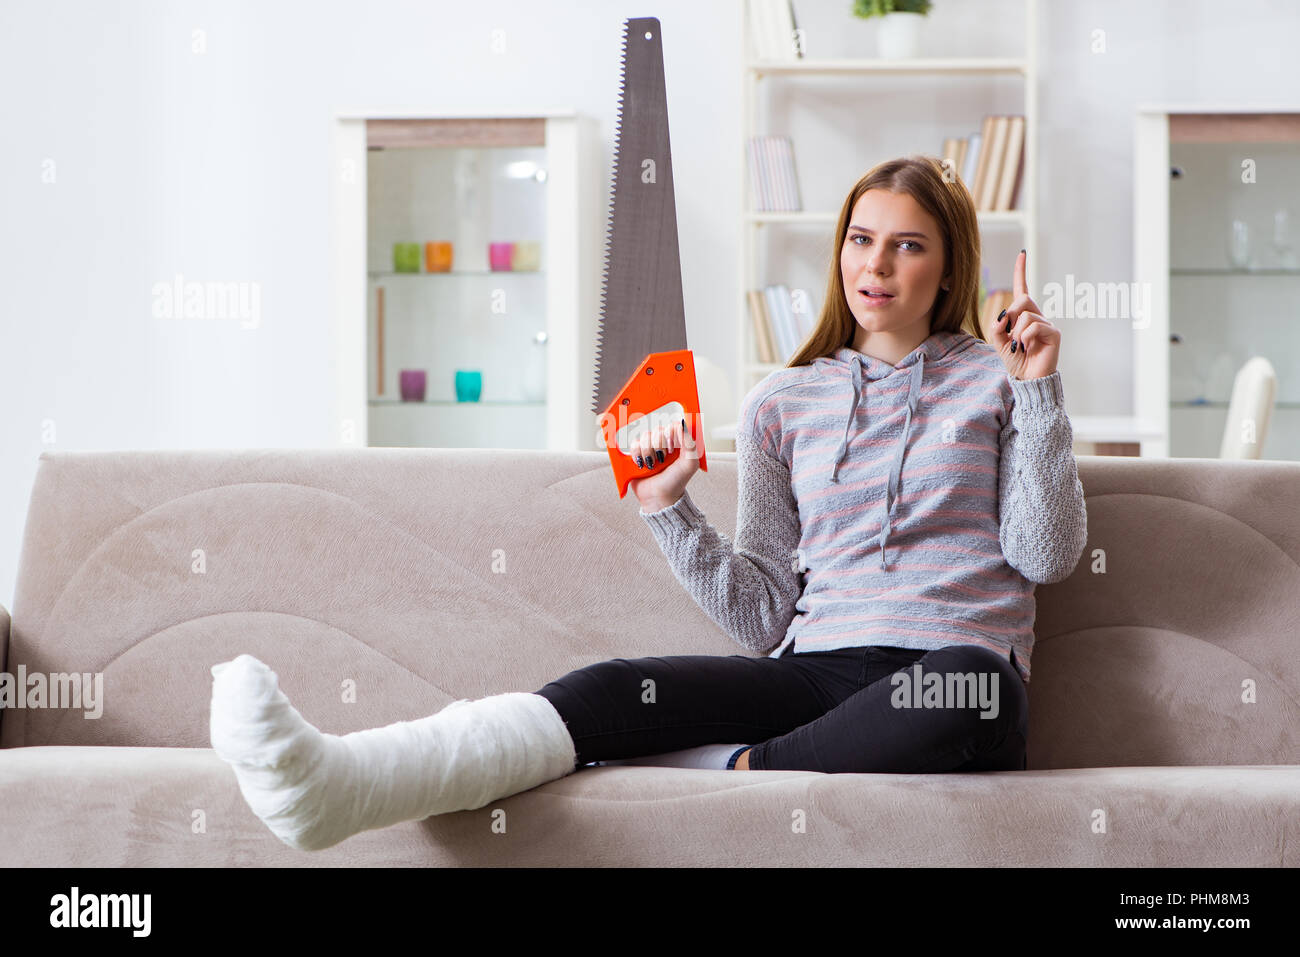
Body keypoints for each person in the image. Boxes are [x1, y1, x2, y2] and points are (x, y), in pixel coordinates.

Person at [208, 154, 1087, 851]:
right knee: (612, 688)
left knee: (980, 688)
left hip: (949, 676)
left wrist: (1040, 392)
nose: (876, 264)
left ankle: (739, 767)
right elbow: (761, 614)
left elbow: (1044, 555)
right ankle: (342, 781)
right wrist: (669, 507)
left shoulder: (998, 381)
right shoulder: (782, 402)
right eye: (860, 239)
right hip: (818, 671)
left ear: (947, 266)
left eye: (907, 244)